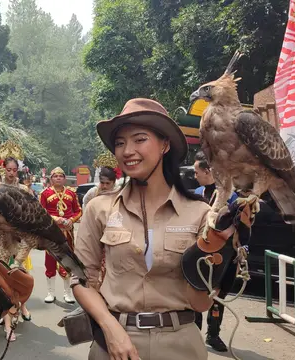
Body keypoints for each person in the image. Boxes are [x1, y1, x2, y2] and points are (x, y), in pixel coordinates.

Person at [72, 98, 216, 360]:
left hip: (180, 344)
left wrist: (221, 249)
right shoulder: (99, 208)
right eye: (120, 142)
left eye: (140, 139)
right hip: (114, 344)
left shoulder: (200, 213)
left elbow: (202, 303)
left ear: (165, 145)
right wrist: (110, 328)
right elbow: (81, 279)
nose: (128, 150)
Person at [192, 150, 238, 352]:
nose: (195, 176)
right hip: (201, 254)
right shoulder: (196, 195)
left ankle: (213, 334)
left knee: (219, 294)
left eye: (196, 172)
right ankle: (193, 334)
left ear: (208, 171)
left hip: (226, 255)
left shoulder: (232, 196)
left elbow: (241, 227)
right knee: (196, 293)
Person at [0, 157, 33, 341]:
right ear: (4, 169)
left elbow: (31, 217)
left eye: (14, 170)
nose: (11, 173)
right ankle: (8, 324)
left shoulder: (24, 190)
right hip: (2, 240)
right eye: (9, 169)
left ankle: (21, 306)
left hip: (20, 240)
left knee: (20, 277)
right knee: (4, 281)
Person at [39, 167, 82, 304]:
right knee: (50, 261)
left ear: (64, 178)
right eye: (55, 176)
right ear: (51, 179)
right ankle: (51, 293)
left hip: (67, 232)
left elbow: (78, 211)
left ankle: (67, 293)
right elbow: (41, 212)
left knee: (68, 261)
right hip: (51, 232)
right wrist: (55, 219)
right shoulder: (45, 193)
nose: (58, 178)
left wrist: (71, 220)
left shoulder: (71, 193)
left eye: (60, 176)